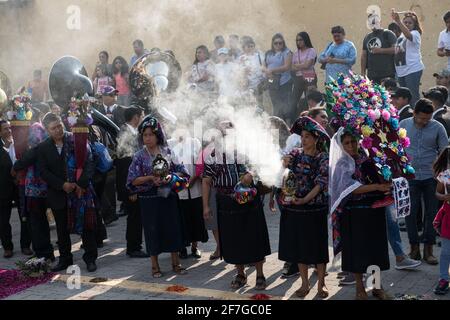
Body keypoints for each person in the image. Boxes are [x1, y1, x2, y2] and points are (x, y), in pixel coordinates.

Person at [202, 121, 271, 290]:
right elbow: (206, 181)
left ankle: (260, 274)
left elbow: (259, 168)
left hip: (249, 200)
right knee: (233, 240)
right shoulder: (212, 154)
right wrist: (205, 206)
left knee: (254, 238)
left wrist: (250, 174)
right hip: (226, 202)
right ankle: (240, 274)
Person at [330, 128, 392, 300]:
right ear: (341, 146)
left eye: (354, 142)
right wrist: (377, 187)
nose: (351, 146)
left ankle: (377, 286)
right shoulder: (341, 164)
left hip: (374, 210)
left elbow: (380, 177)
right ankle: (359, 288)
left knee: (375, 250)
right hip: (354, 214)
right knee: (357, 252)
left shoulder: (368, 158)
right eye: (347, 143)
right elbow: (350, 189)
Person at [127, 116, 189, 278]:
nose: (147, 138)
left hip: (167, 196)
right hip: (149, 199)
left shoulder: (167, 151)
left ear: (158, 135)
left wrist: (170, 177)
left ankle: (176, 263)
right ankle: (155, 266)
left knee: (172, 228)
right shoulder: (139, 156)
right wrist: (150, 178)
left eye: (150, 135)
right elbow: (133, 179)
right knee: (152, 230)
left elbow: (181, 171)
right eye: (144, 135)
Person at [276, 117, 330, 298]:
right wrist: (283, 164)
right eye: (303, 136)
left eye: (308, 136)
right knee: (300, 248)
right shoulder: (295, 154)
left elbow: (321, 183)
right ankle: (305, 283)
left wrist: (306, 199)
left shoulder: (322, 157)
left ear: (316, 139)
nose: (304, 139)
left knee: (318, 248)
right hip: (294, 208)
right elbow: (284, 176)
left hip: (315, 208)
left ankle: (321, 284)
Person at [38, 113, 98, 272]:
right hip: (59, 193)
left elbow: (89, 161)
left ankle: (90, 258)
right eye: (53, 128)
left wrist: (81, 184)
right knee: (62, 229)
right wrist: (62, 184)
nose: (58, 130)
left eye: (59, 126)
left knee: (86, 227)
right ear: (47, 130)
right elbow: (43, 171)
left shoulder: (75, 139)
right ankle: (65, 259)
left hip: (80, 192)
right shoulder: (43, 147)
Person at [400, 99, 448, 265]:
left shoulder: (437, 127)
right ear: (414, 113)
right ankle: (414, 248)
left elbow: (444, 151)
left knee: (432, 213)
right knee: (410, 213)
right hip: (409, 177)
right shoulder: (403, 124)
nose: (424, 122)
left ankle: (429, 249)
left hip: (431, 177)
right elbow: (397, 148)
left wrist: (442, 173)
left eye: (427, 119)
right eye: (421, 118)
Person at [12, 120, 54, 261]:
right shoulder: (48, 145)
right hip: (44, 189)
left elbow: (24, 160)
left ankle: (43, 253)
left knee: (37, 223)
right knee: (41, 223)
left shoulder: (37, 148)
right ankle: (45, 252)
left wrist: (16, 167)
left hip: (36, 191)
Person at [168, 134, 208, 260]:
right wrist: (180, 181)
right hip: (178, 190)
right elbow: (169, 167)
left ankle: (195, 247)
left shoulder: (195, 142)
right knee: (181, 220)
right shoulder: (169, 143)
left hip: (195, 188)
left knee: (195, 219)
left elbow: (200, 164)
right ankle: (182, 248)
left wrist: (193, 179)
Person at [116, 106, 147, 258]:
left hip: (137, 184)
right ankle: (133, 248)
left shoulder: (133, 132)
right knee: (134, 217)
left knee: (138, 216)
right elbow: (124, 166)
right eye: (142, 115)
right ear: (136, 117)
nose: (143, 118)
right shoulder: (125, 133)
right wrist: (131, 190)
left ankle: (135, 245)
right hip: (131, 186)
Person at [0, 120, 32, 258]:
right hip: (3, 189)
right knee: (2, 220)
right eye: (5, 129)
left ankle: (25, 245)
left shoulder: (20, 144)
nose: (9, 131)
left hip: (21, 186)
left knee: (24, 216)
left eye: (10, 128)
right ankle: (7, 247)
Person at [392, 10, 425, 107]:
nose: (407, 24)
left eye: (410, 23)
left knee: (413, 97)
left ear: (415, 24)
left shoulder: (415, 33)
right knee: (404, 97)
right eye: (405, 22)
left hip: (412, 69)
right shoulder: (402, 35)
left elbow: (408, 35)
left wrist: (398, 21)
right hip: (402, 70)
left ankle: (417, 116)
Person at [263, 33, 293, 124]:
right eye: (276, 43)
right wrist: (267, 71)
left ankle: (287, 127)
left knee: (286, 105)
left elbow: (287, 67)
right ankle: (276, 126)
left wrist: (272, 70)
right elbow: (263, 66)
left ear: (283, 43)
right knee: (275, 104)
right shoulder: (268, 53)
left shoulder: (287, 52)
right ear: (272, 43)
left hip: (284, 82)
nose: (278, 45)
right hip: (272, 81)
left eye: (280, 43)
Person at [432, 146, 450, 295]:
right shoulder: (445, 176)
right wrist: (443, 197)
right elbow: (437, 193)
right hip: (448, 219)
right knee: (445, 252)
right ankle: (444, 278)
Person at [361, 16, 397, 84]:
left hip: (387, 74)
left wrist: (380, 50)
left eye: (375, 22)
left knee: (388, 94)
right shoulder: (367, 37)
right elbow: (364, 56)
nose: (373, 25)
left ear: (380, 22)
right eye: (371, 23)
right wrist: (363, 73)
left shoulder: (388, 33)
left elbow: (395, 49)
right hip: (371, 75)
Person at [291, 32, 318, 115]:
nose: (298, 42)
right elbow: (291, 67)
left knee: (310, 101)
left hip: (309, 76)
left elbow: (307, 65)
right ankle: (295, 120)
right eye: (297, 40)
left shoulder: (311, 50)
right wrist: (302, 65)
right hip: (298, 78)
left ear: (306, 39)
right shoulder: (296, 53)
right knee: (293, 101)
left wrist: (297, 66)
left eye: (300, 40)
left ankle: (311, 119)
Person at [239, 36, 265, 105]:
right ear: (244, 47)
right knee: (249, 106)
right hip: (247, 87)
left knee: (259, 105)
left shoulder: (260, 56)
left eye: (251, 46)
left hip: (259, 86)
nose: (250, 48)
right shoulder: (241, 59)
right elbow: (238, 73)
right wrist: (243, 72)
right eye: (247, 46)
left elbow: (265, 69)